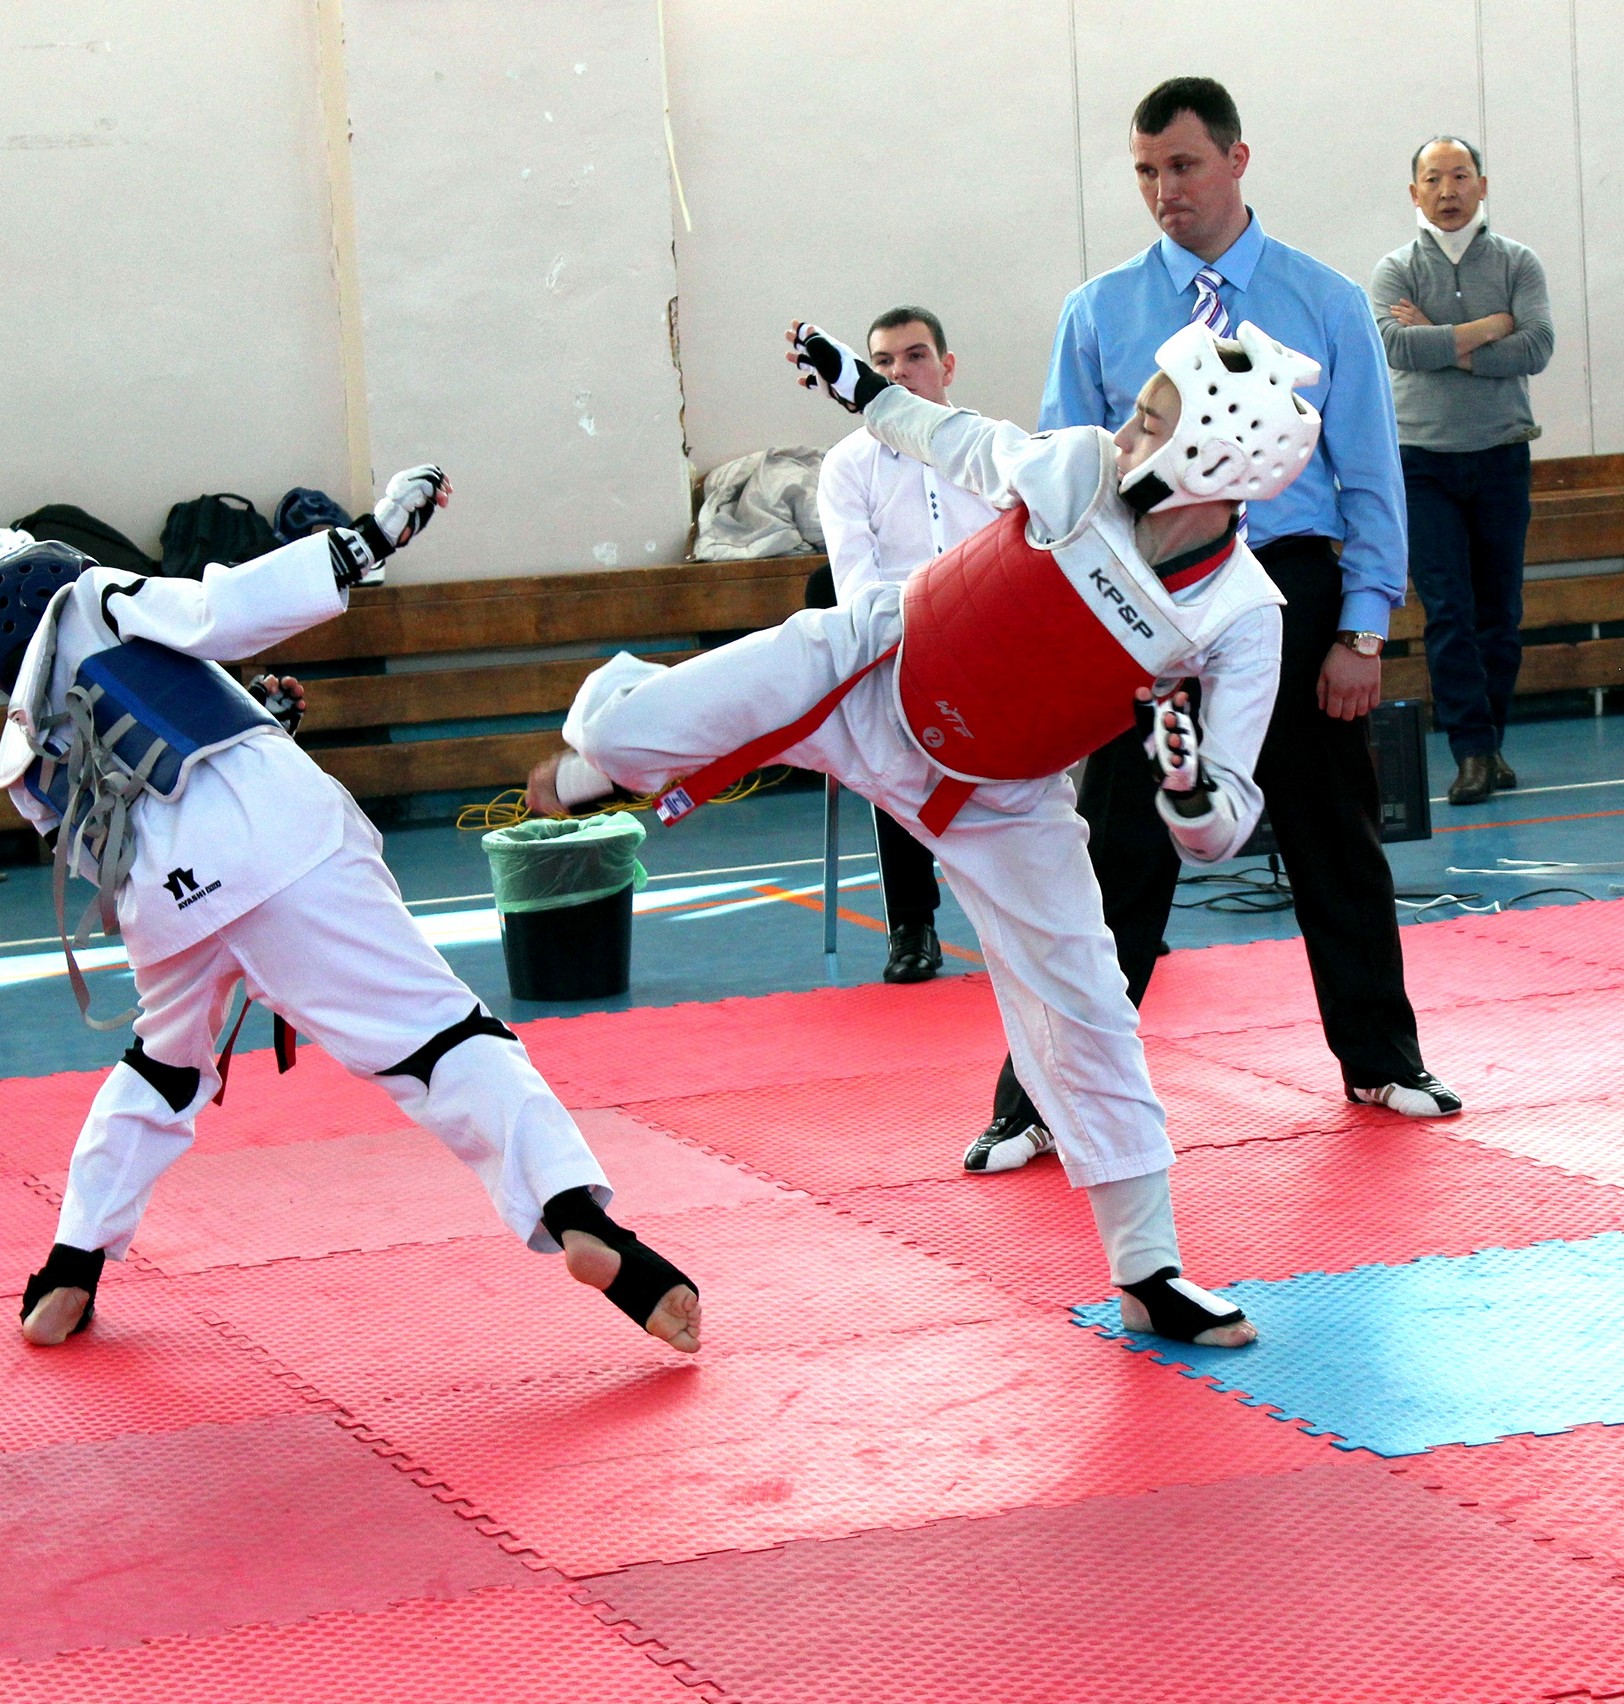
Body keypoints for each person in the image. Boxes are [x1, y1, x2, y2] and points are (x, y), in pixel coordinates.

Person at [525, 313, 1329, 1350]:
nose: (1125, 432)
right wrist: (863, 390)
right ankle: (604, 764)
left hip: (1006, 802)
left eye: (1151, 422)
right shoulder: (1077, 468)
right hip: (875, 674)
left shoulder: (1238, 615)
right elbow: (955, 440)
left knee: (1085, 1004)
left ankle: (1150, 1272)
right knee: (657, 718)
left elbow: (1221, 826)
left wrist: (1181, 786)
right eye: (1138, 412)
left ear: (1211, 456)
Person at [0, 477, 701, 1356]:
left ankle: (70, 1268)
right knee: (442, 1038)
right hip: (284, 847)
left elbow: (119, 824)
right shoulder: (97, 598)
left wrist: (256, 722)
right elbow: (219, 611)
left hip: (168, 909)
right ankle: (580, 1217)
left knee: (161, 1071)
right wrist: (363, 541)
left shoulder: (22, 750)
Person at [983, 75, 1461, 1172]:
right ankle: (1039, 1097)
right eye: (1146, 172)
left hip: (1284, 584)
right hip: (1139, 599)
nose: (1164, 192)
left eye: (1184, 167)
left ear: (1237, 161)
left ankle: (1382, 1056)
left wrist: (1360, 631)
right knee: (1113, 856)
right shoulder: (1098, 310)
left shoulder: (1324, 301)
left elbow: (1371, 480)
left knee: (1331, 835)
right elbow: (1061, 481)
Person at [816, 306, 999, 983]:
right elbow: (857, 587)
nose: (900, 373)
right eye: (884, 362)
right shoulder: (846, 466)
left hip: (992, 637)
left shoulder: (990, 446)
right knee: (888, 736)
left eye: (915, 357)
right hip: (899, 643)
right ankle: (912, 924)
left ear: (947, 366)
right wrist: (919, 644)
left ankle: (1077, 910)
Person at [1371, 135, 1554, 805]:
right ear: (1414, 192)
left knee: (1498, 612)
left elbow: (1535, 345)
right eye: (1432, 179)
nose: (1447, 191)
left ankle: (1494, 741)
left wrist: (1445, 341)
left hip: (1502, 453)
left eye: (1459, 176)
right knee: (1447, 610)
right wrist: (1486, 328)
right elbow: (1395, 345)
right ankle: (1471, 752)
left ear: (1482, 184)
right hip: (1421, 462)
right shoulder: (1394, 270)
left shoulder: (1517, 263)